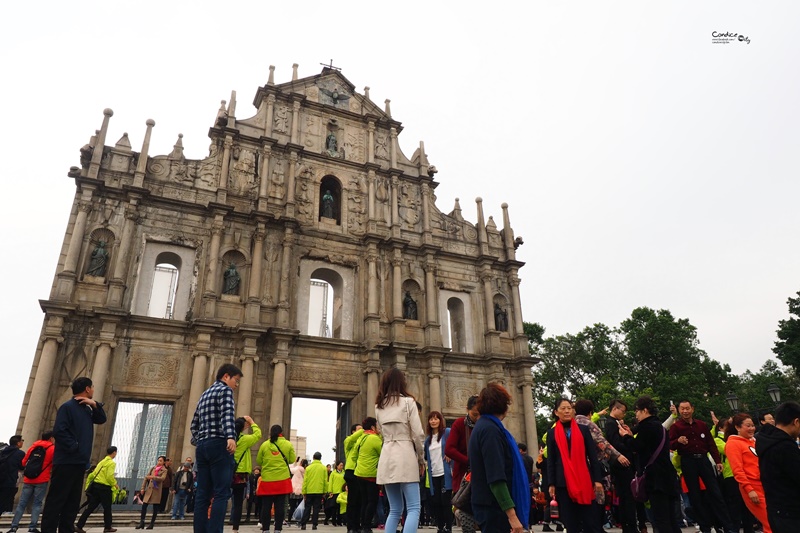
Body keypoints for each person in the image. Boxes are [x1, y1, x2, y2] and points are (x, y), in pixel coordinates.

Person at [41, 376, 107, 533]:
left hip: (79, 462)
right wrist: (75, 447)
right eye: (92, 388)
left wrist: (94, 404)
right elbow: (59, 431)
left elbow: (102, 419)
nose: (93, 390)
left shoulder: (86, 408)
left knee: (72, 502)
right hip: (66, 461)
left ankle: (66, 529)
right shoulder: (68, 407)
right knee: (56, 500)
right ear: (87, 389)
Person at [468, 383, 529, 533]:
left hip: (489, 505)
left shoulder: (483, 426)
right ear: (504, 406)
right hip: (494, 508)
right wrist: (512, 516)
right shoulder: (490, 431)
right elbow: (496, 477)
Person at [669, 400, 735, 533]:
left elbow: (711, 444)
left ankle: (727, 526)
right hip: (688, 461)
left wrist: (718, 461)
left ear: (692, 409)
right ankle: (705, 527)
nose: (685, 411)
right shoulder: (676, 427)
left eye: (687, 408)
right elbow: (669, 444)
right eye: (682, 409)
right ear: (679, 410)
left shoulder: (701, 425)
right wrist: (678, 441)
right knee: (695, 496)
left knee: (716, 493)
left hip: (703, 460)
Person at [190, 363, 242, 533]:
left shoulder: (204, 394)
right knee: (221, 493)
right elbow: (227, 415)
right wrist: (230, 437)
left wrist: (201, 440)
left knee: (202, 495)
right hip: (219, 444)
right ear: (226, 376)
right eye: (236, 380)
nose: (237, 384)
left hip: (202, 447)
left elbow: (194, 425)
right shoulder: (225, 390)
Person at [619, 395, 682, 533]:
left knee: (661, 519)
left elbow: (637, 446)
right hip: (668, 477)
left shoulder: (646, 426)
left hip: (656, 479)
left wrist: (625, 436)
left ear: (645, 410)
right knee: (672, 518)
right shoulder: (659, 427)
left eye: (637, 411)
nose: (636, 415)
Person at [375, 368, 425, 533]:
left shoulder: (379, 406)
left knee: (395, 509)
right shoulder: (408, 402)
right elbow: (418, 434)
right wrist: (421, 459)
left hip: (387, 454)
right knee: (413, 507)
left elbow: (381, 432)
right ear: (401, 382)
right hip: (405, 454)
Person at [546, 398, 602, 533]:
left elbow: (592, 456)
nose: (567, 411)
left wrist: (597, 479)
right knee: (570, 523)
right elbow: (551, 460)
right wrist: (551, 483)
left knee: (590, 521)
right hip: (562, 482)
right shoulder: (552, 433)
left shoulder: (583, 430)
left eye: (569, 408)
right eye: (563, 408)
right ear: (556, 412)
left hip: (584, 480)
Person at [756, 400, 800, 533]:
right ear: (796, 421)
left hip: (776, 510)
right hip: (791, 514)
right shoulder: (784, 446)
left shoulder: (767, 441)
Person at [724, 414, 771, 533]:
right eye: (748, 426)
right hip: (752, 488)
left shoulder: (753, 441)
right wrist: (749, 489)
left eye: (752, 425)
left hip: (765, 485)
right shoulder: (733, 443)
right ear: (737, 427)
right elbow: (737, 470)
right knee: (770, 522)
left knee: (773, 522)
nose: (752, 428)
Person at [8, 430, 55, 533]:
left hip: (29, 479)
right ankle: (32, 527)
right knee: (37, 504)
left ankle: (14, 526)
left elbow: (24, 462)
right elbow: (54, 463)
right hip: (42, 479)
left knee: (21, 503)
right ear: (50, 438)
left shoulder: (33, 447)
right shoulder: (52, 448)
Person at [444, 394, 479, 533]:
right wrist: (468, 460)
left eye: (480, 414)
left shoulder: (484, 424)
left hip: (481, 471)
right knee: (463, 502)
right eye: (474, 414)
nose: (477, 418)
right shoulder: (459, 424)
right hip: (464, 472)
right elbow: (449, 449)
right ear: (467, 409)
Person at [604, 399, 638, 533]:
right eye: (622, 411)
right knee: (627, 497)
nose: (624, 414)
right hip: (621, 462)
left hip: (624, 461)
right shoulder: (610, 424)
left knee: (627, 497)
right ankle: (629, 526)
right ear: (615, 409)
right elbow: (614, 443)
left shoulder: (617, 423)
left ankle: (629, 525)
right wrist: (629, 446)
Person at [256, 424, 296, 533]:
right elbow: (292, 459)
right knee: (280, 506)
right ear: (281, 432)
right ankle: (278, 528)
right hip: (282, 479)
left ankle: (265, 529)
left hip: (267, 479)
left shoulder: (264, 445)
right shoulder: (287, 444)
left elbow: (259, 461)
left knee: (266, 506)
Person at [75, 446, 118, 533]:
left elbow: (94, 473)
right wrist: (114, 484)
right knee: (107, 508)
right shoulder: (111, 463)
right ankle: (108, 527)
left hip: (96, 487)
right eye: (116, 452)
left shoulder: (101, 462)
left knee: (90, 507)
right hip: (104, 488)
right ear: (114, 452)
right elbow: (109, 476)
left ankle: (79, 525)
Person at [231, 416, 261, 533]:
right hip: (240, 474)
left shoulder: (227, 438)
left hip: (226, 471)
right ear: (243, 427)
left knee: (221, 498)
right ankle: (235, 529)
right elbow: (258, 434)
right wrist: (252, 422)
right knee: (238, 503)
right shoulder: (245, 439)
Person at [424, 411, 453, 533]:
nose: (433, 421)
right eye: (431, 419)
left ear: (441, 420)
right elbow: (426, 457)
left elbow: (454, 447)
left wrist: (450, 453)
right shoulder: (428, 440)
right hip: (433, 473)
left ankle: (448, 527)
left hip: (445, 473)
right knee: (436, 501)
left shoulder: (447, 433)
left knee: (445, 501)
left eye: (436, 419)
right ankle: (440, 526)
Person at [353, 417, 382, 533]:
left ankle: (363, 524)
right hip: (371, 474)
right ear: (373, 427)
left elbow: (354, 455)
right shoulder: (374, 438)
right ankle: (366, 526)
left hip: (359, 473)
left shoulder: (360, 438)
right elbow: (383, 453)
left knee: (364, 501)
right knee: (372, 501)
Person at [136, 456, 168, 529]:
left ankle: (152, 523)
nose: (159, 462)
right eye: (158, 460)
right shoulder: (153, 468)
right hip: (149, 490)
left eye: (161, 461)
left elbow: (162, 479)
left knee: (155, 507)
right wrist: (142, 488)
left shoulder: (164, 470)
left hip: (157, 490)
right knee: (144, 505)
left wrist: (153, 477)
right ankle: (142, 522)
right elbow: (146, 477)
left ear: (163, 462)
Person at [342, 424, 364, 533]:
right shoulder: (348, 441)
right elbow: (350, 440)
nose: (361, 431)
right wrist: (365, 429)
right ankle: (350, 526)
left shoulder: (363, 441)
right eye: (359, 429)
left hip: (361, 471)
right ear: (352, 431)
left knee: (360, 500)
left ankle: (357, 525)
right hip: (351, 471)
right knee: (352, 501)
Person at [300, 452, 327, 530]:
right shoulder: (323, 468)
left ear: (313, 457)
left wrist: (304, 492)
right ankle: (314, 524)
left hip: (309, 491)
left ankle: (303, 524)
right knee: (316, 508)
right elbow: (325, 481)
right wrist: (325, 491)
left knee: (307, 507)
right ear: (320, 458)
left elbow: (305, 481)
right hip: (319, 491)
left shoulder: (308, 468)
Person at [0, 436, 26, 513]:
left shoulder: (3, 451)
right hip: (11, 479)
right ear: (18, 443)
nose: (22, 442)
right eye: (22, 440)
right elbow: (22, 466)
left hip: (1, 478)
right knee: (8, 500)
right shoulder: (20, 453)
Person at [288, 458, 307, 524]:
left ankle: (289, 520)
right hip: (301, 490)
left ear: (301, 463)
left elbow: (289, 468)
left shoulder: (297, 469)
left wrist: (295, 462)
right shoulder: (306, 471)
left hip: (294, 489)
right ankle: (300, 520)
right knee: (301, 507)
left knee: (292, 506)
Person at [327, 462, 345, 527]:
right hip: (335, 492)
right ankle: (334, 521)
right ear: (337, 466)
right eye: (340, 465)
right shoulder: (333, 473)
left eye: (342, 465)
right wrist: (330, 491)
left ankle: (339, 521)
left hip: (341, 492)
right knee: (334, 508)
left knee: (340, 508)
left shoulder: (344, 473)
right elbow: (330, 482)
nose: (341, 467)